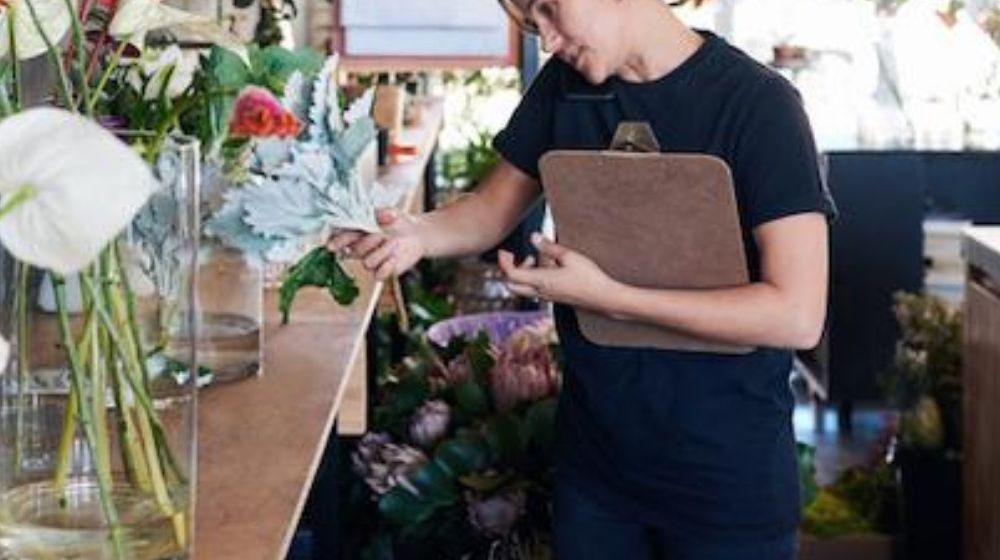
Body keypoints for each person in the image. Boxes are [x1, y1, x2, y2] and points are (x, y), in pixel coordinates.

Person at [329, 0, 835, 557]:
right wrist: (415, 235)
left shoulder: (758, 105)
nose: (545, 40)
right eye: (530, 22)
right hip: (596, 474)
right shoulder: (566, 87)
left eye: (548, 10)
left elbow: (796, 313)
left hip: (724, 482)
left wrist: (614, 300)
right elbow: (491, 209)